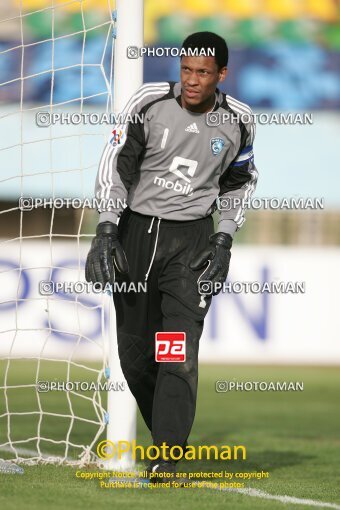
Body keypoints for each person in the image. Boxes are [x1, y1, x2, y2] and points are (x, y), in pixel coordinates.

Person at [85, 31, 258, 480]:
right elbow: (116, 163)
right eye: (186, 70)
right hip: (137, 234)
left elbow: (240, 183)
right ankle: (167, 438)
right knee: (136, 356)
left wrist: (224, 240)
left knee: (176, 350)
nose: (192, 80)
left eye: (203, 72)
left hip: (193, 243)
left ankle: (167, 456)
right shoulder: (149, 102)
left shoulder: (239, 121)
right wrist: (106, 230)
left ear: (222, 74)